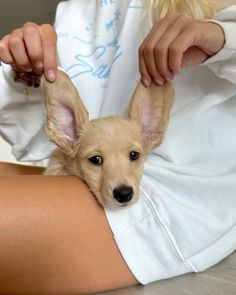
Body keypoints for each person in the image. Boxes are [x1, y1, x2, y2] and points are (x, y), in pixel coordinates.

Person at [0, 0, 236, 293]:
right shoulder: (78, 8)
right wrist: (21, 71)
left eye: (133, 155)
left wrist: (224, 36)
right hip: (81, 181)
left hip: (175, 198)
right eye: (97, 160)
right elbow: (35, 137)